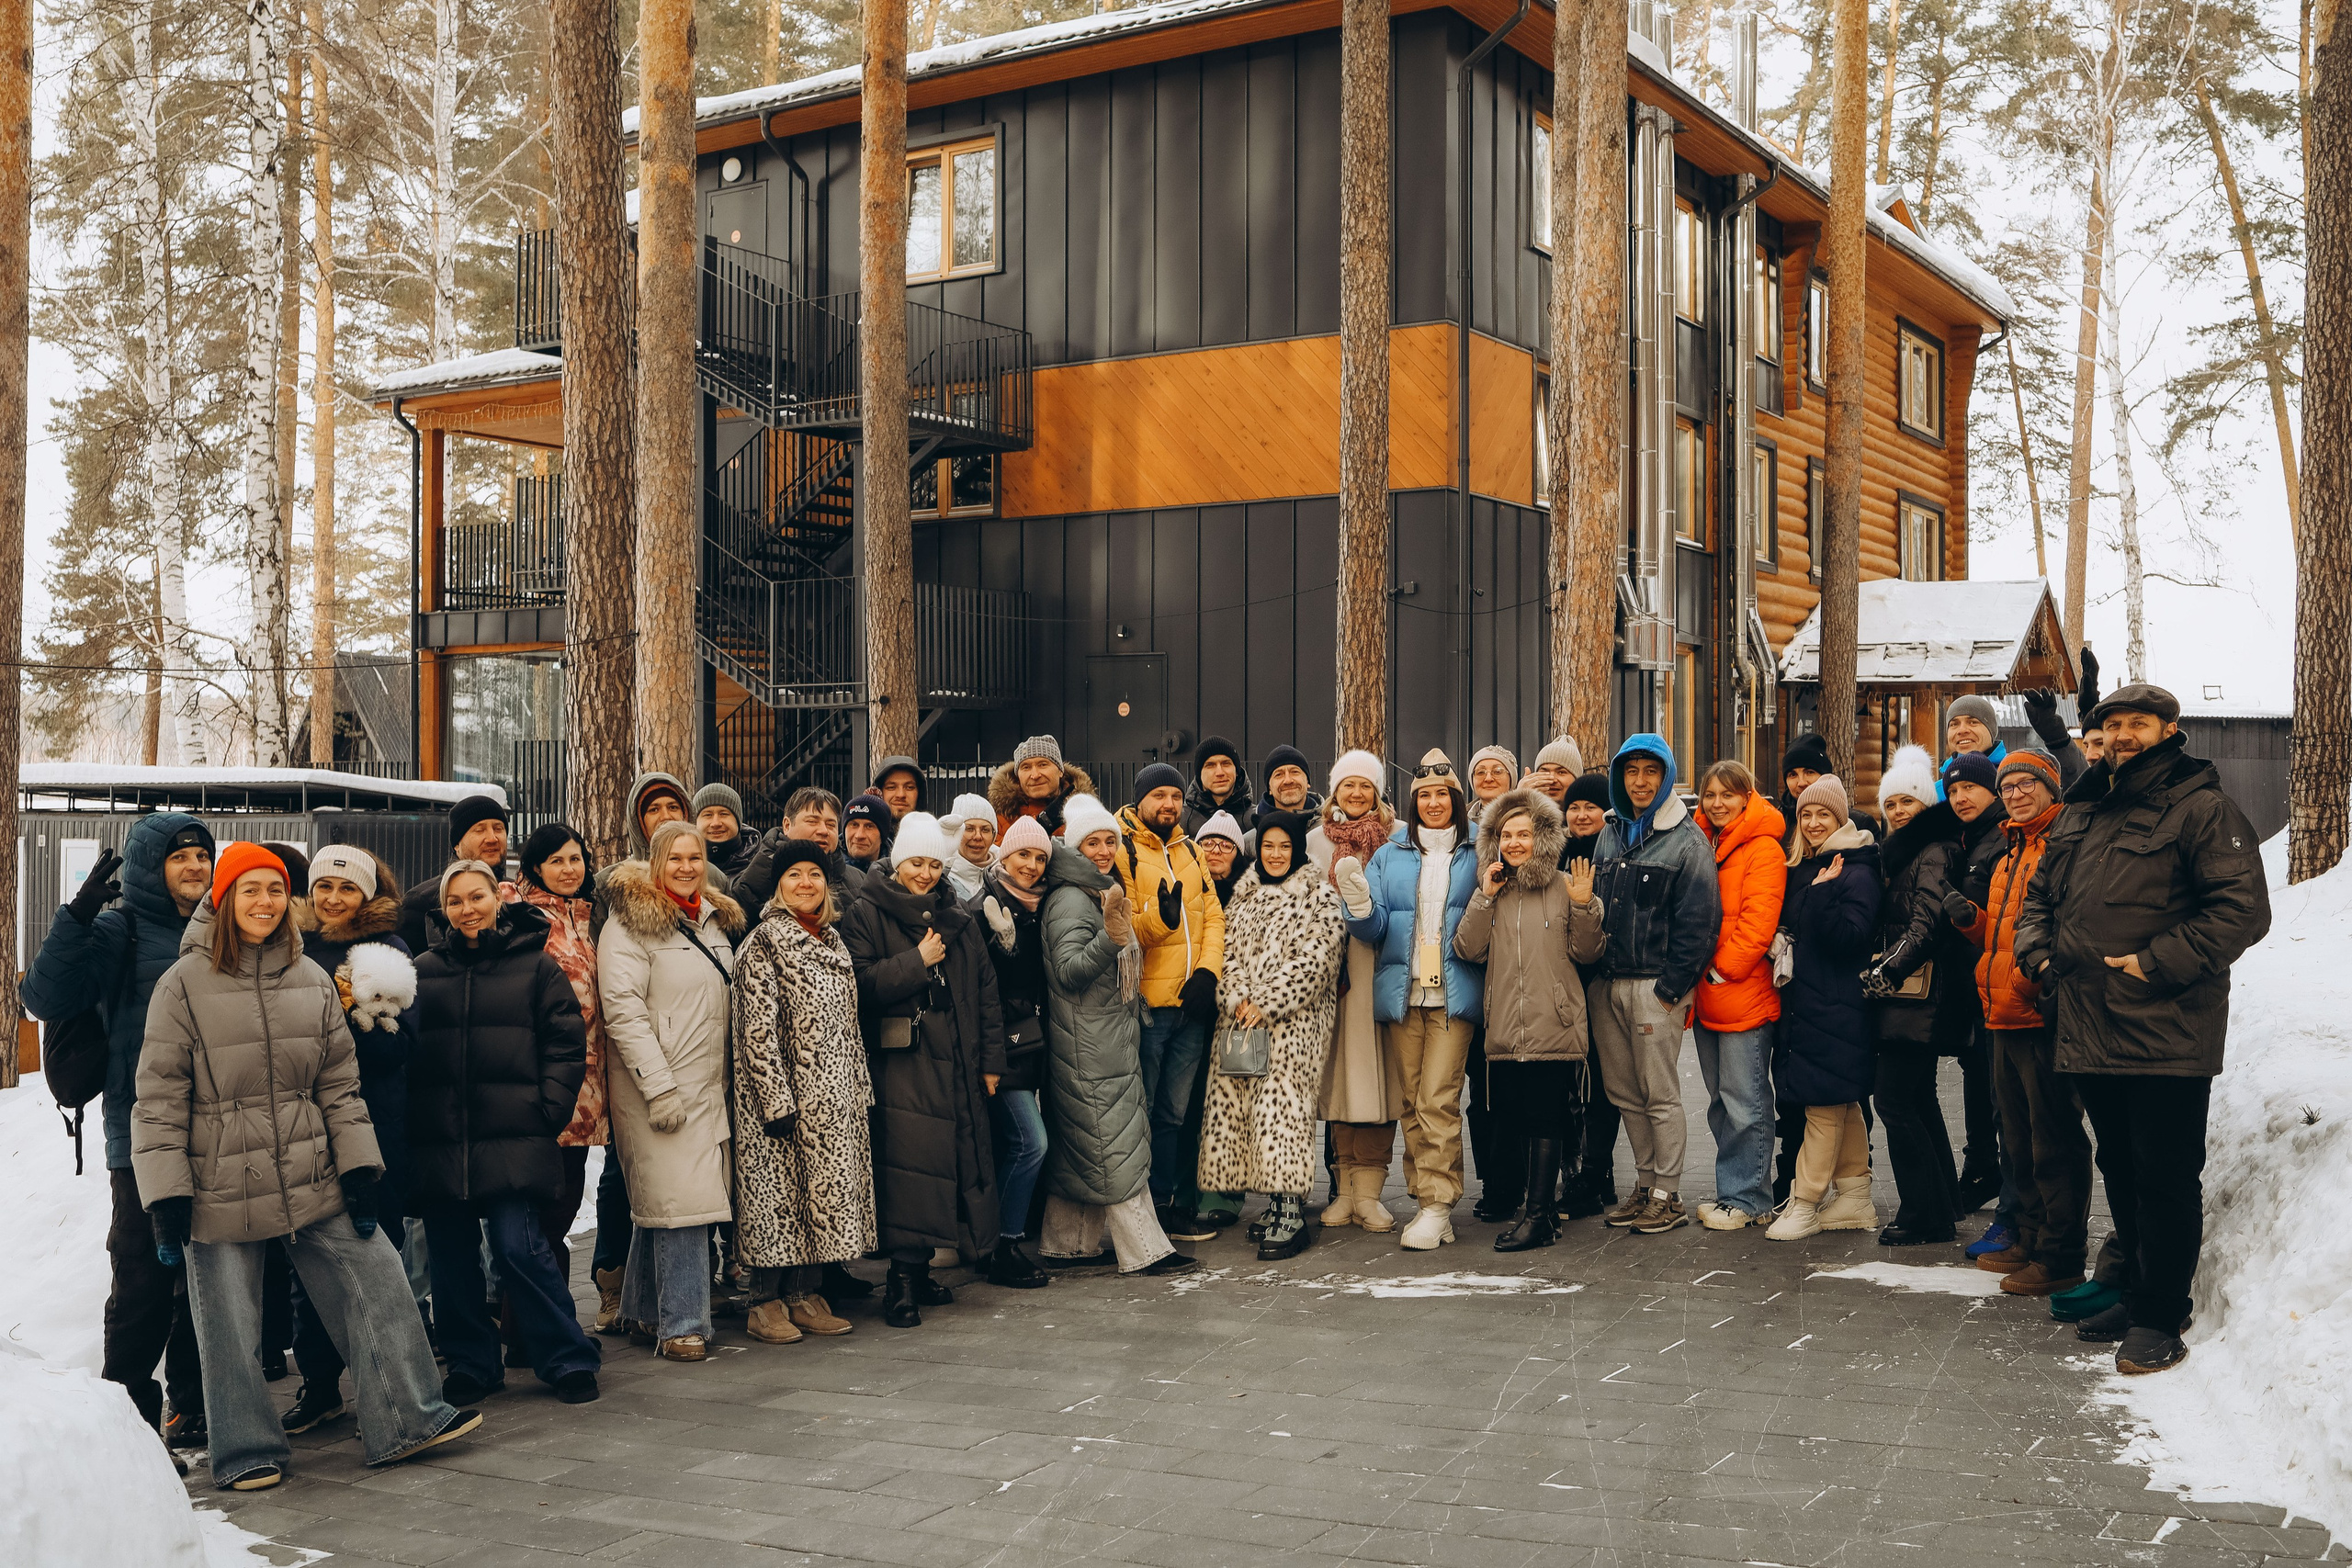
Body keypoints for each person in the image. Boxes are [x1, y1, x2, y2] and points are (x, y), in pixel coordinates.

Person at [137, 844, 481, 1490]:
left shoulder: (310, 977)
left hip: (311, 1166)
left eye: (274, 889)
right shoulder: (181, 984)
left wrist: (359, 1169)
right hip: (220, 1179)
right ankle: (244, 1450)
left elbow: (339, 1086)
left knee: (377, 1274)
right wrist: (167, 1194)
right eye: (249, 890)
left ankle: (408, 1416)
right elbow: (157, 1100)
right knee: (230, 1321)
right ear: (224, 898)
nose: (264, 901)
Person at [2017, 683, 2270, 1373]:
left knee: (2163, 1175)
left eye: (2138, 723)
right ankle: (2135, 1290)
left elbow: (2241, 910)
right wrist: (2036, 952)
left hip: (2165, 1029)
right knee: (2121, 1166)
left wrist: (2155, 962)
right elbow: (2040, 896)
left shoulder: (2202, 807)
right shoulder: (2085, 806)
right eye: (2114, 724)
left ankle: (2162, 1315)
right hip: (2086, 1023)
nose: (2124, 734)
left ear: (2169, 729)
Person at [22, 811, 214, 1445]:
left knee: (206, 1279)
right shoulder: (118, 929)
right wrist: (75, 917)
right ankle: (125, 1426)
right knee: (142, 1280)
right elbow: (44, 999)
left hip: (215, 1130)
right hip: (139, 1138)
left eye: (202, 855)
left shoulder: (219, 929)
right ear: (151, 864)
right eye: (180, 856)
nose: (195, 866)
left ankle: (193, 1405)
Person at [410, 861, 602, 1406]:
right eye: (456, 901)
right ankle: (471, 1362)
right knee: (451, 1256)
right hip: (442, 1139)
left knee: (520, 1248)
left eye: (477, 897)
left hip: (514, 1135)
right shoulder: (423, 969)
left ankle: (566, 1357)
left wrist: (546, 1111)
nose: (467, 909)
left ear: (498, 899)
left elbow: (567, 1046)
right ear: (444, 909)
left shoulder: (536, 967)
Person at [841, 812, 1006, 1325]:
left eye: (935, 864)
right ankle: (903, 1279)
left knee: (952, 1166)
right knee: (912, 1171)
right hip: (902, 1068)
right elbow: (860, 986)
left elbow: (985, 993)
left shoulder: (956, 916)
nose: (926, 874)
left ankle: (925, 1268)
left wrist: (991, 1061)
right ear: (897, 863)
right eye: (916, 862)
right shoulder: (865, 913)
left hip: (957, 1059)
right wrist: (917, 959)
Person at [278, 845, 422, 1437]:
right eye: (324, 888)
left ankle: (382, 1389)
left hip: (372, 1124)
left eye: (347, 889)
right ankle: (319, 1383)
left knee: (375, 1257)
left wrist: (349, 1024)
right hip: (301, 1126)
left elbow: (403, 1047)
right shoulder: (290, 948)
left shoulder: (386, 954)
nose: (333, 899)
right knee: (307, 1264)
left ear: (368, 895)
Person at [1945, 750, 2093, 1298]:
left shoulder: (2062, 847)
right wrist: (1971, 923)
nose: (2017, 793)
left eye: (2028, 783)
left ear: (2052, 788)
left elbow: (2063, 930)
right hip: (2002, 1012)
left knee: (2054, 1139)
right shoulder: (2010, 852)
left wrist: (2042, 983)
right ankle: (2029, 1239)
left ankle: (2062, 1255)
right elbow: (2003, 936)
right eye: (2009, 786)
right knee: (2019, 1140)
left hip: (2040, 1013)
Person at [1035, 795, 1196, 1277]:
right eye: (1093, 841)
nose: (1104, 849)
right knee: (1116, 1143)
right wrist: (1110, 936)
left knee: (1084, 1145)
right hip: (1091, 1043)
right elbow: (1068, 972)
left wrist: (1153, 922)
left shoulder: (1095, 888)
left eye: (1110, 840)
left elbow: (1120, 940)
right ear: (1074, 844)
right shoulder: (1069, 898)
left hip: (1100, 1035)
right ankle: (1145, 1249)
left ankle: (1065, 1243)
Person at [598, 824, 742, 1362]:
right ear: (654, 862)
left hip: (705, 1085)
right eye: (675, 858)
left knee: (671, 1200)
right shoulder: (627, 925)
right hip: (656, 1085)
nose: (686, 867)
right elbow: (625, 1014)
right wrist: (659, 1089)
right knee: (683, 1203)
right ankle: (683, 1323)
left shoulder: (711, 920)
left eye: (695, 857)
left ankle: (642, 1311)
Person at [1332, 749, 1485, 1251]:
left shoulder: (1477, 850)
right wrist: (1357, 903)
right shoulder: (1390, 853)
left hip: (1453, 993)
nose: (1434, 803)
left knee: (1438, 1100)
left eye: (1443, 794)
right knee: (1411, 1104)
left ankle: (1439, 1203)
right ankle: (1425, 1198)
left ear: (1456, 800)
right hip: (1403, 994)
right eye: (1425, 795)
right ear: (1413, 800)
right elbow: (1374, 928)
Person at [727, 839, 878, 1345]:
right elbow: (757, 1030)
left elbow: (848, 1026)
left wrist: (859, 1088)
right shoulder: (763, 943)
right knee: (778, 1202)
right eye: (794, 875)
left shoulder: (833, 941)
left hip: (835, 1099)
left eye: (814, 874)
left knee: (821, 1200)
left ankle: (805, 1293)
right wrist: (775, 1101)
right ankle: (763, 1301)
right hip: (784, 1101)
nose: (805, 883)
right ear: (778, 885)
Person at [1453, 789, 1603, 1252]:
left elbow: (1588, 951)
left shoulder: (1563, 885)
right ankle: (1539, 1214)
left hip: (1552, 1025)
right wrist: (1484, 896)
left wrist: (1583, 905)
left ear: (1543, 838)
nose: (1515, 843)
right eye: (1506, 835)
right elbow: (1467, 949)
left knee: (1545, 1119)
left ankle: (1538, 1217)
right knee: (1518, 1118)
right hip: (1505, 1030)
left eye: (1525, 834)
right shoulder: (1493, 889)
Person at [1199, 811, 1346, 1259]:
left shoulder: (1318, 895)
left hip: (1292, 1026)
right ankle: (1271, 1202)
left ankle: (1291, 1210)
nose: (1276, 854)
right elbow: (1225, 954)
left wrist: (1267, 1002)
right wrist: (1239, 998)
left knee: (1283, 1114)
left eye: (1285, 846)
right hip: (1241, 1024)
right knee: (1243, 1112)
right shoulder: (1243, 897)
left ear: (1297, 849)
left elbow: (1318, 959)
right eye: (1268, 846)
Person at [1589, 734, 1720, 1234]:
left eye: (1651, 771)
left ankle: (1668, 1193)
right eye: (1631, 771)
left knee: (1659, 1094)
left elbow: (1700, 923)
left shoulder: (1687, 842)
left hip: (1653, 988)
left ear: (1666, 777)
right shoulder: (1610, 833)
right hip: (1608, 986)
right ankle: (1644, 1186)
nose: (1640, 782)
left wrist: (1670, 989)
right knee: (1624, 1091)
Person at [505, 825, 618, 1325]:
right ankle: (537, 1323)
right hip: (539, 1084)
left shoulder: (591, 916)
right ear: (535, 868)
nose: (570, 869)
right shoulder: (519, 916)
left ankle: (533, 1322)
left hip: (586, 1087)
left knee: (564, 1206)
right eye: (557, 861)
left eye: (576, 859)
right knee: (543, 1210)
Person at [1765, 778, 1883, 1241]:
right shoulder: (1815, 865)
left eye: (1824, 816)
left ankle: (1807, 1201)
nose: (1813, 824)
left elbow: (1851, 938)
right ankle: (1855, 1198)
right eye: (1806, 815)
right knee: (1842, 1102)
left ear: (1841, 819)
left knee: (1822, 1109)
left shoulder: (1853, 868)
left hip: (1836, 1006)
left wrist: (1822, 895)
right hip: (1811, 1003)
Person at [1114, 764, 1227, 1240]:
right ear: (1140, 799)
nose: (1168, 804)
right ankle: (1140, 1213)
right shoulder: (1123, 850)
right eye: (1158, 795)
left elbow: (1214, 918)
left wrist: (1207, 973)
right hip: (1147, 1007)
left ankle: (1165, 1204)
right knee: (1142, 1111)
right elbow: (1119, 929)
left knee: (1175, 1115)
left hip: (1190, 1006)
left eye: (1176, 796)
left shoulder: (1192, 849)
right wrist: (1158, 920)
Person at [1861, 747, 1966, 1247]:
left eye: (1909, 802)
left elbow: (1927, 924)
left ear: (1927, 805)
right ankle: (1942, 1201)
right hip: (1908, 994)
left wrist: (1885, 971)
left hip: (1915, 995)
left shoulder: (1934, 850)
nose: (1900, 811)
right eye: (1893, 803)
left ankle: (1923, 1213)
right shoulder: (1902, 851)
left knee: (1894, 1100)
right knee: (1919, 1100)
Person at [1690, 761, 1786, 1232]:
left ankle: (1749, 1198)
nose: (1718, 804)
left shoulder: (1762, 848)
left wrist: (1721, 973)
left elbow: (1757, 922)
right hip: (1709, 992)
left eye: (1728, 795)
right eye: (1710, 795)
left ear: (1748, 797)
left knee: (1746, 1101)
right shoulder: (1706, 843)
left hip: (1740, 991)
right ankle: (1734, 1190)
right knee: (1720, 1101)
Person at [1312, 750, 1405, 1232]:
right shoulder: (1313, 842)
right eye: (1347, 784)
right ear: (1334, 792)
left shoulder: (1397, 840)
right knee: (1339, 1082)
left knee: (1378, 1080)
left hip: (1382, 972)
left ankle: (1369, 1193)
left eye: (1364, 785)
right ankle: (1343, 1190)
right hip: (1332, 982)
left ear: (1377, 792)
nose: (1355, 793)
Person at [1939, 749, 2017, 1251]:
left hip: (2003, 986)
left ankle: (2014, 1204)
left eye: (1971, 787)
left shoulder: (2001, 838)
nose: (1961, 795)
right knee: (1980, 1079)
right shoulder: (1967, 836)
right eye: (1953, 788)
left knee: (2004, 1098)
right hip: (1975, 983)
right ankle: (1985, 1171)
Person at [976, 816, 1057, 1288]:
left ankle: (1003, 1241)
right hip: (1003, 1050)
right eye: (1022, 854)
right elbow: (983, 991)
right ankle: (1002, 1247)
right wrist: (1002, 945)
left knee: (1018, 1144)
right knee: (1031, 1142)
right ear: (1004, 856)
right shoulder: (985, 905)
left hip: (1034, 1047)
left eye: (1039, 856)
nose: (1030, 865)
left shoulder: (1040, 906)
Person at [1462, 743, 1523, 1224]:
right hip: (1471, 975)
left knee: (1512, 1092)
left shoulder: (1524, 827)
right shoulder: (1458, 831)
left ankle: (1516, 1180)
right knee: (1479, 1091)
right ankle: (1494, 1181)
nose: (1487, 776)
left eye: (1496, 770)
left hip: (1519, 977)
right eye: (1479, 770)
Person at [1557, 771, 1622, 1219]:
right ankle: (1576, 1170)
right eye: (1574, 807)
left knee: (1602, 1084)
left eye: (1590, 808)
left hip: (1602, 981)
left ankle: (1598, 1172)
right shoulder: (1556, 855)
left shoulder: (1616, 854)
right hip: (1562, 983)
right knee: (1566, 1085)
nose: (1581, 815)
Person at [401, 794, 508, 951]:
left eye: (498, 828)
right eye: (479, 830)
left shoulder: (517, 894)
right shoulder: (422, 902)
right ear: (456, 845)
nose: (492, 838)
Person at [991, 734, 1098, 838]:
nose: (1035, 775)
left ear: (1060, 771)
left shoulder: (1088, 811)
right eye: (1026, 767)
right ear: (1018, 776)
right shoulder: (999, 818)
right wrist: (1040, 827)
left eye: (1042, 765)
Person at [1182, 736, 1257, 837]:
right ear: (1200, 774)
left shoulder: (1255, 819)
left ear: (1237, 771)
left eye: (1226, 764)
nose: (1219, 772)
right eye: (1210, 765)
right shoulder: (1180, 820)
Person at [942, 792, 999, 899]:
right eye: (969, 829)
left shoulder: (1006, 876)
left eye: (985, 830)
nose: (978, 836)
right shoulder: (941, 877)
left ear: (993, 835)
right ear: (955, 833)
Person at [1256, 744, 1322, 836]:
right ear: (1269, 788)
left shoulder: (1330, 832)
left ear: (1307, 782)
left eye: (1295, 772)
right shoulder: (1251, 840)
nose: (1288, 780)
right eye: (1279, 775)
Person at [694, 784, 754, 881]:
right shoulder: (685, 866)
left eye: (723, 814)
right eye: (708, 815)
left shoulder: (760, 863)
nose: (715, 823)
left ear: (738, 822)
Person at [1196, 812, 1250, 904]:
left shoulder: (1252, 894)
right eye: (1208, 844)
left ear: (1237, 855)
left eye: (1226, 846)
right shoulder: (1184, 886)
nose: (1216, 850)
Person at [842, 794, 893, 872]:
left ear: (883, 835)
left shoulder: (897, 874)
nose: (859, 835)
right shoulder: (825, 870)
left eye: (869, 826)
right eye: (854, 825)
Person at [872, 755, 926, 820]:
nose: (901, 795)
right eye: (891, 787)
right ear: (879, 793)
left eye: (909, 787)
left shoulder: (933, 830)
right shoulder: (861, 829)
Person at [1467, 746, 1519, 812]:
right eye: (1481, 772)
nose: (1488, 779)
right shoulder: (1457, 819)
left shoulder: (1526, 817)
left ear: (1511, 779)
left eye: (1497, 772)